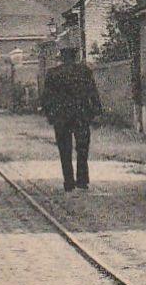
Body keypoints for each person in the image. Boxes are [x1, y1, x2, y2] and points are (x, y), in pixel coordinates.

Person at [41, 45, 103, 192]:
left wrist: (49, 115)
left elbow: (46, 98)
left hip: (61, 117)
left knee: (64, 149)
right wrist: (96, 112)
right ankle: (82, 180)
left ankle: (68, 181)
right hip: (81, 115)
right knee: (82, 148)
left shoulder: (53, 73)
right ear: (75, 57)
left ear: (62, 58)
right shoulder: (84, 71)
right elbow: (92, 92)